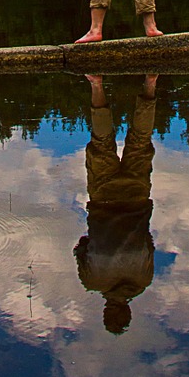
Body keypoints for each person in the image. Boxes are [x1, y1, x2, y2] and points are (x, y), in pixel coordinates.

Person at [74, 73, 158, 334]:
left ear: (128, 309)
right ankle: (96, 83)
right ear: (107, 310)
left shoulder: (144, 279)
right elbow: (81, 246)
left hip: (136, 197)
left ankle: (151, 82)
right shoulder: (92, 280)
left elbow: (148, 243)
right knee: (101, 143)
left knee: (140, 141)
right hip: (103, 198)